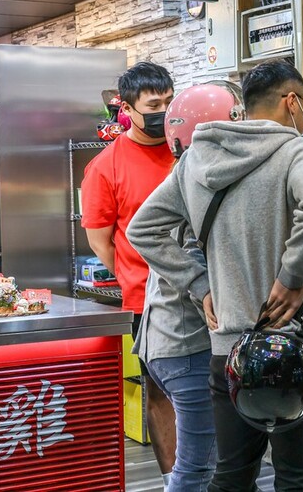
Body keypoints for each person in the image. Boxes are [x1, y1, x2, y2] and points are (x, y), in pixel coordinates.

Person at [126, 59, 303, 492]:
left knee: (232, 476)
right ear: (291, 102)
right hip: (297, 344)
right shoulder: (296, 150)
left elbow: (141, 230)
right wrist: (292, 277)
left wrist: (199, 286)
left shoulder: (195, 159)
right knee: (299, 479)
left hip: (229, 349)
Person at [131, 83, 242, 491]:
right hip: (186, 344)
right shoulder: (198, 175)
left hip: (170, 341)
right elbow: (142, 231)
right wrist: (203, 284)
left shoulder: (191, 172)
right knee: (198, 468)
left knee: (210, 466)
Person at [80, 61, 178, 483]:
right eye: (154, 104)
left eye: (169, 102)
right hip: (148, 301)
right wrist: (133, 278)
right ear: (127, 109)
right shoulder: (106, 166)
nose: (164, 111)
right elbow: (101, 242)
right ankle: (175, 480)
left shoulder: (187, 148)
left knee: (211, 393)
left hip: (208, 295)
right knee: (161, 393)